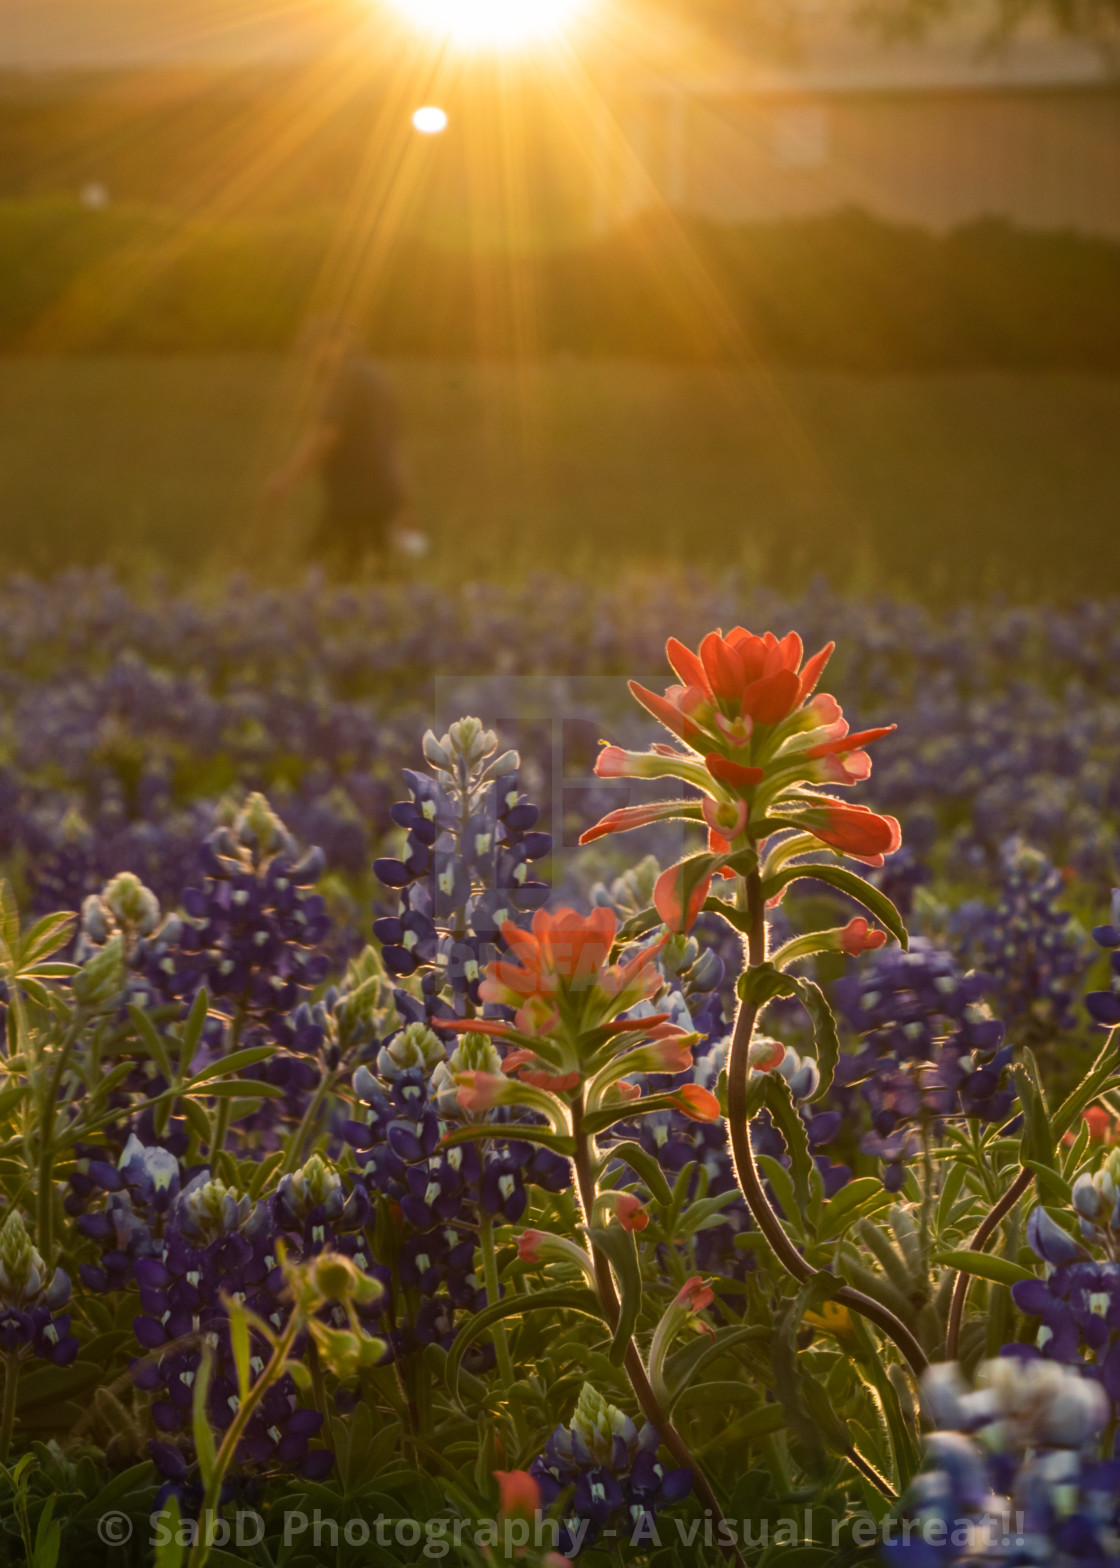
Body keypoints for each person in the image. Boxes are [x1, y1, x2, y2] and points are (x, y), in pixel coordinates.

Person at [264, 320, 413, 574]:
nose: (310, 358)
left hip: (355, 495)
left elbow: (327, 433)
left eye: (313, 349)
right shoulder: (376, 375)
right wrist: (403, 499)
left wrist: (286, 479)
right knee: (374, 572)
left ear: (335, 344)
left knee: (318, 569)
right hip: (382, 493)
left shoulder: (344, 375)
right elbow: (393, 444)